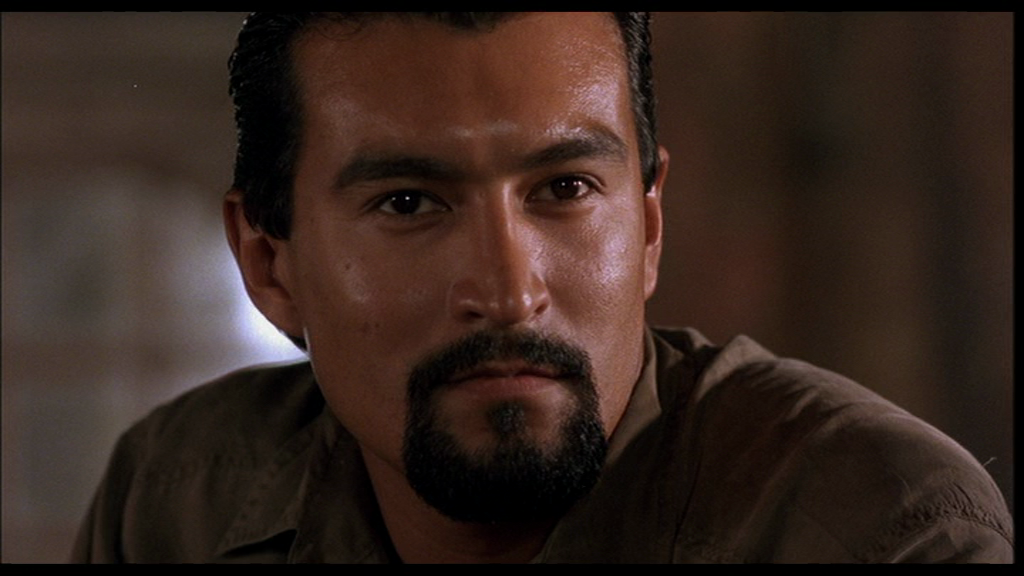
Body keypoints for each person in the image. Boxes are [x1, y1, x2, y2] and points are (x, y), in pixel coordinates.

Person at [71, 12, 1012, 563]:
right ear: (270, 264)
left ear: (648, 226)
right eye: (408, 203)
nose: (510, 292)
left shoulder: (879, 528)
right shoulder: (177, 502)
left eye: (565, 190)